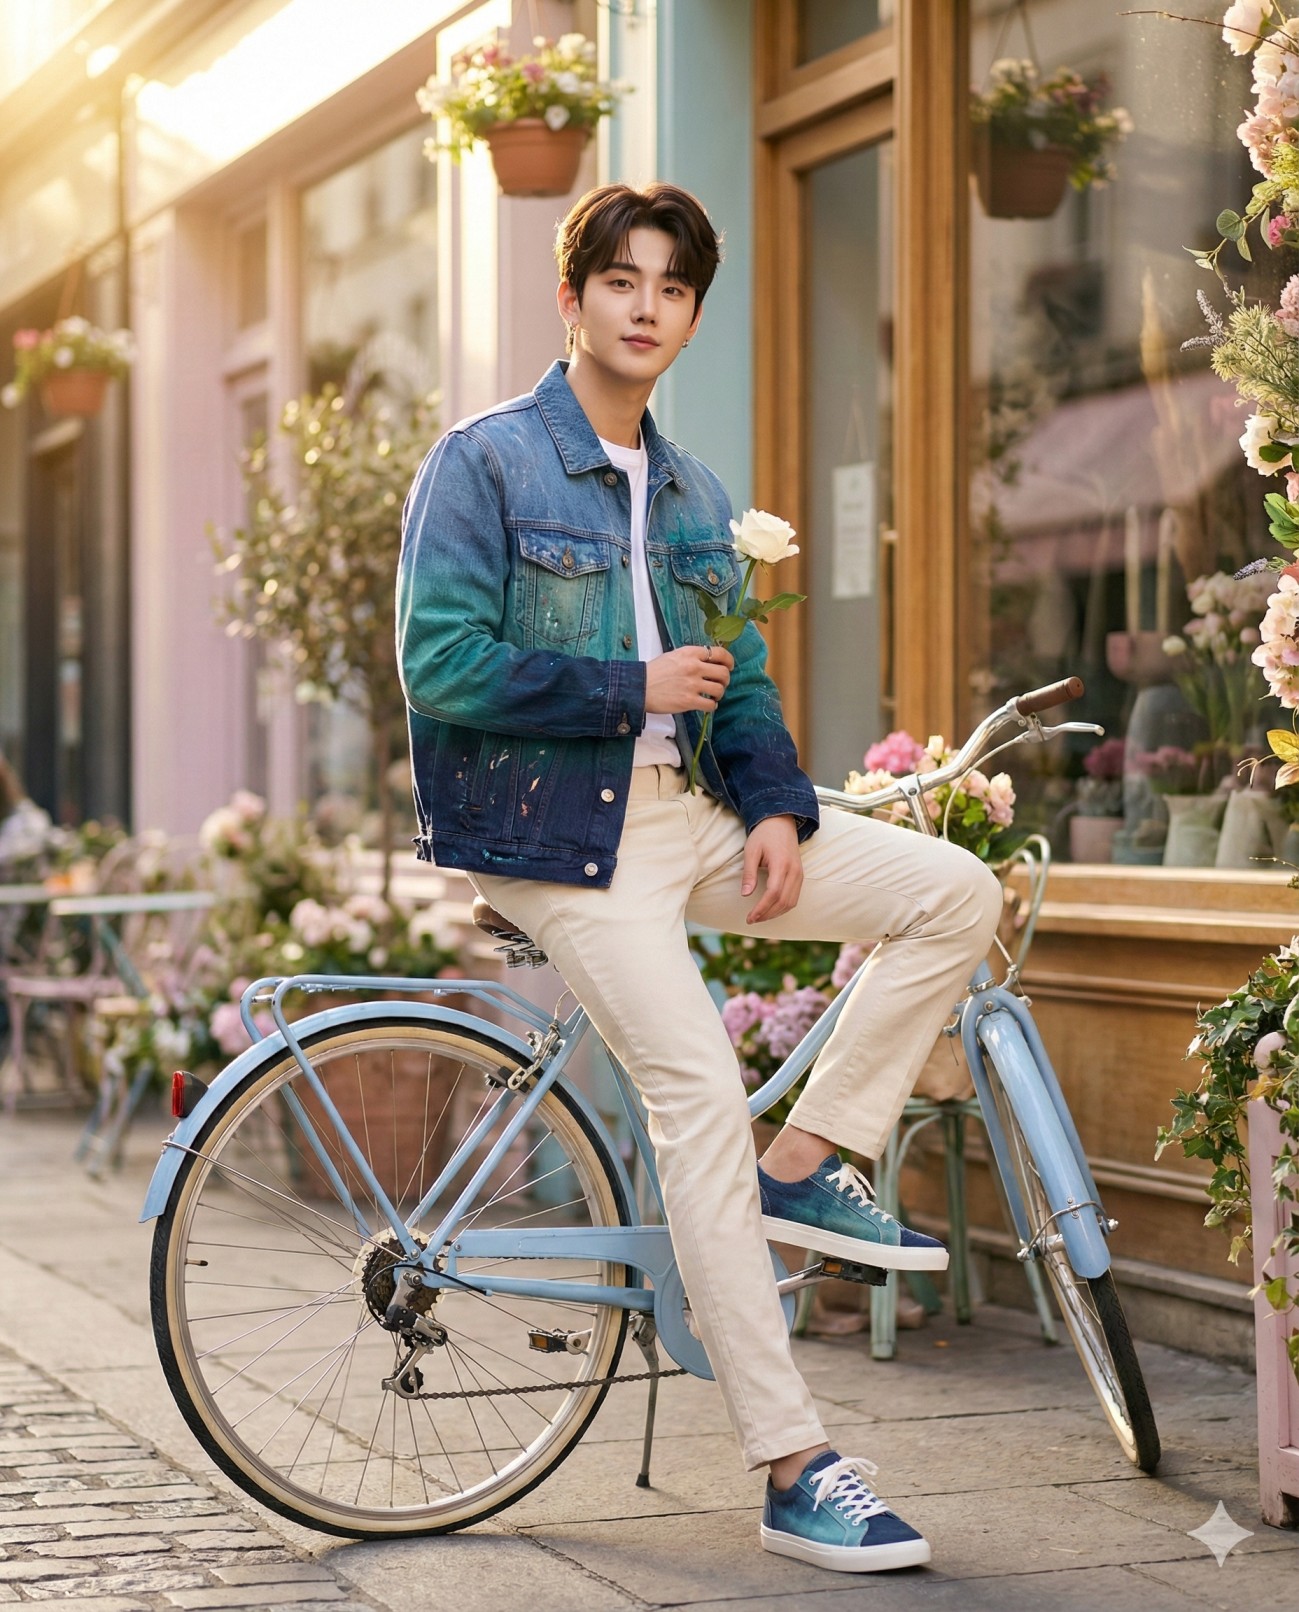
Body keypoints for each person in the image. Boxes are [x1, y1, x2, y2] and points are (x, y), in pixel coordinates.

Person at [396, 182, 1002, 1573]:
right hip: (559, 839)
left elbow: (743, 685)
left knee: (954, 893)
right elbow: (439, 665)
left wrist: (779, 807)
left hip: (698, 818)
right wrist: (630, 688)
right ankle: (794, 1467)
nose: (647, 306)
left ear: (693, 316)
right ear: (573, 297)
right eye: (623, 279)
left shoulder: (696, 494)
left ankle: (807, 1162)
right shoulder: (485, 464)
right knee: (697, 1099)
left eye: (673, 287)